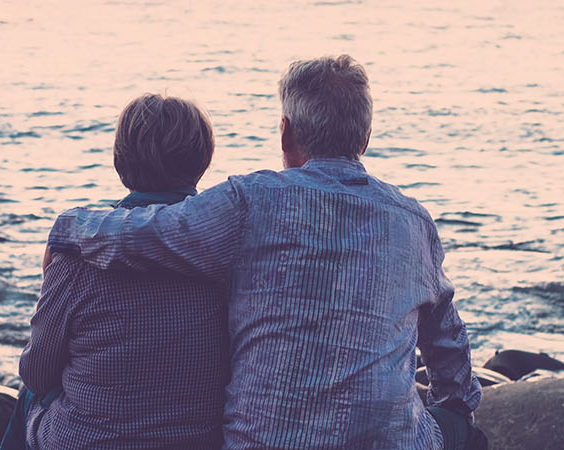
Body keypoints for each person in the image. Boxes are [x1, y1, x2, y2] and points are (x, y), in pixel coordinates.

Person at [44, 55, 486, 450]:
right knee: (463, 430)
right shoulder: (413, 220)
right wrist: (457, 405)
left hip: (263, 440)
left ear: (286, 132)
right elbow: (446, 340)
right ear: (365, 136)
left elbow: (144, 232)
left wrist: (68, 227)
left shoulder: (250, 201)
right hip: (389, 441)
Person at [11, 94, 229, 450]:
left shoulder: (77, 256)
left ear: (120, 160)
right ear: (203, 161)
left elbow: (37, 372)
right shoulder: (227, 250)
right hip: (198, 440)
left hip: (88, 441)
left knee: (29, 395)